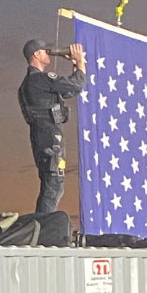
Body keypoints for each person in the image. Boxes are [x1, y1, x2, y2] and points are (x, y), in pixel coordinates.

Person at [18, 39, 86, 214]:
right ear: (36, 55)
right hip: (49, 138)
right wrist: (79, 61)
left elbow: (71, 90)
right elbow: (77, 84)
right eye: (44, 50)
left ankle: (42, 226)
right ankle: (44, 229)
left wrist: (75, 66)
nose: (48, 52)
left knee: (52, 184)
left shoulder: (30, 83)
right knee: (53, 185)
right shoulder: (39, 79)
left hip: (42, 137)